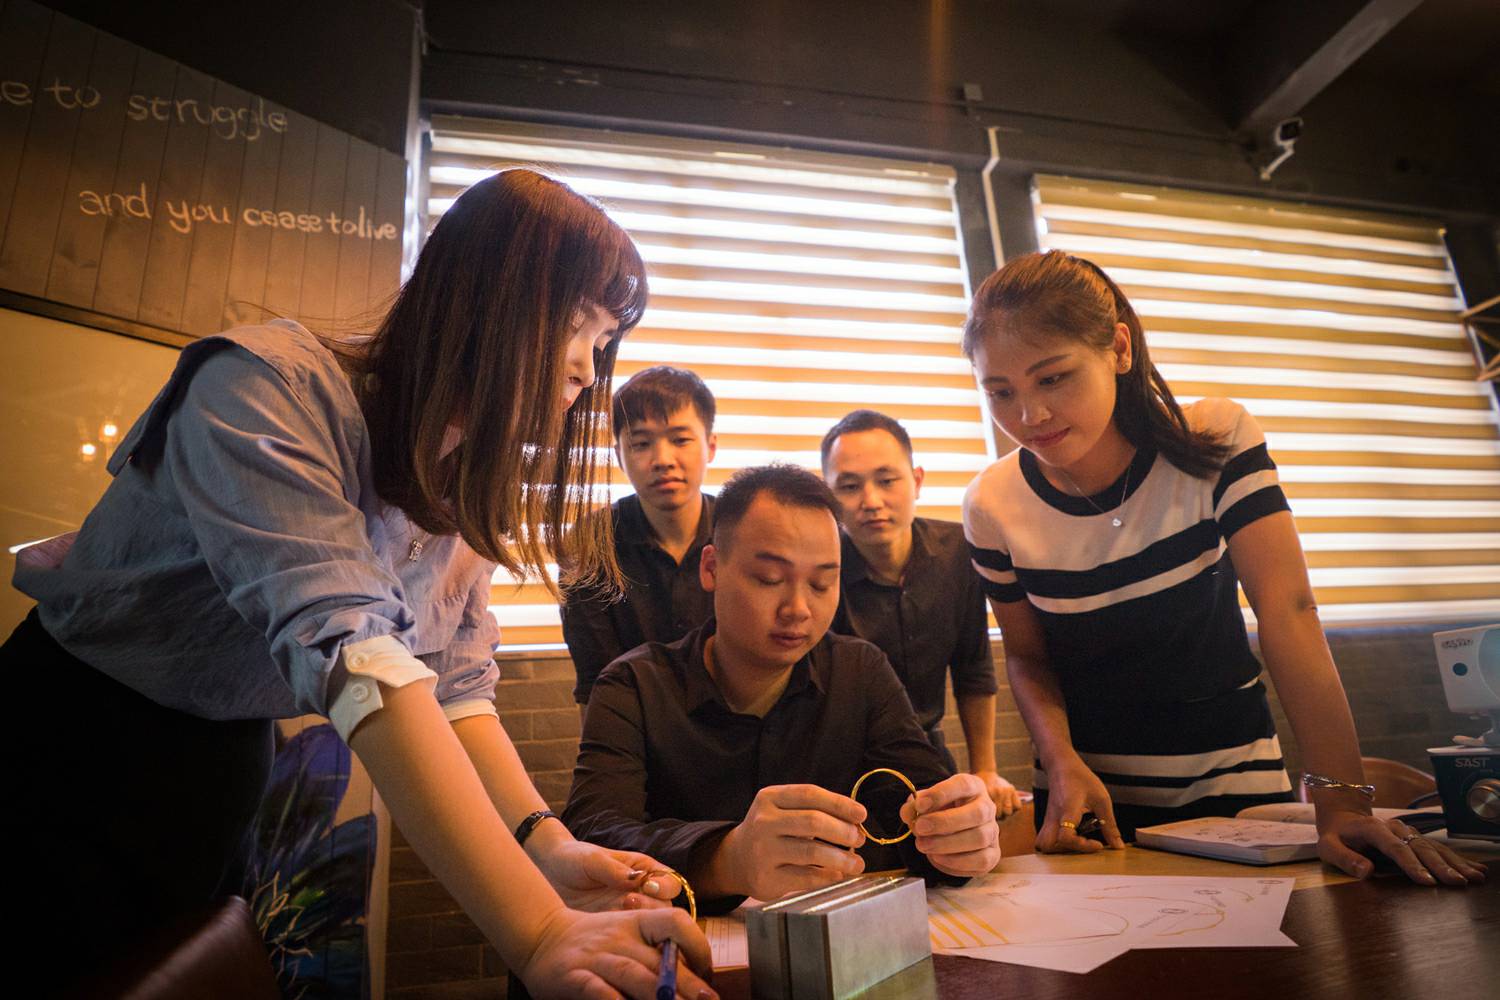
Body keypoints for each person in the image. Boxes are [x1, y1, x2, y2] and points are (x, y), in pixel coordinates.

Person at [6, 169, 717, 998]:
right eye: (576, 326)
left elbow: (455, 685)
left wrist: (547, 847)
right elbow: (358, 658)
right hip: (72, 741)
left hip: (228, 754)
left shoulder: (460, 474)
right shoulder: (267, 388)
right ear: (488, 297)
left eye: (604, 340)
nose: (589, 370)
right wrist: (541, 932)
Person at [959, 250, 1485, 888]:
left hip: (1236, 792)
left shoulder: (1215, 439)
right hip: (1088, 805)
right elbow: (1027, 657)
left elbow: (1288, 611)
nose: (1028, 416)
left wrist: (1343, 803)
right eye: (1001, 392)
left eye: (1052, 378)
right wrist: (1060, 759)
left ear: (1119, 349)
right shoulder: (992, 504)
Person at [563, 464, 1000, 909]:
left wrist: (960, 836)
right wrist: (725, 860)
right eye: (769, 579)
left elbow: (919, 805)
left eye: (822, 583)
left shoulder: (860, 672)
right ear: (711, 568)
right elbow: (592, 834)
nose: (798, 609)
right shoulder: (634, 686)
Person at [820, 409, 1021, 817]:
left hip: (926, 759)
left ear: (917, 481)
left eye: (886, 480)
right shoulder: (820, 568)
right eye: (850, 486)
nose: (871, 501)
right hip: (838, 770)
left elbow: (973, 668)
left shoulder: (958, 553)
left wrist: (985, 770)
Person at [562, 366, 718, 711]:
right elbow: (597, 684)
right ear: (619, 455)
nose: (662, 460)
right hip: (633, 726)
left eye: (680, 440)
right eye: (641, 443)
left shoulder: (739, 531)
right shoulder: (591, 543)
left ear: (710, 447)